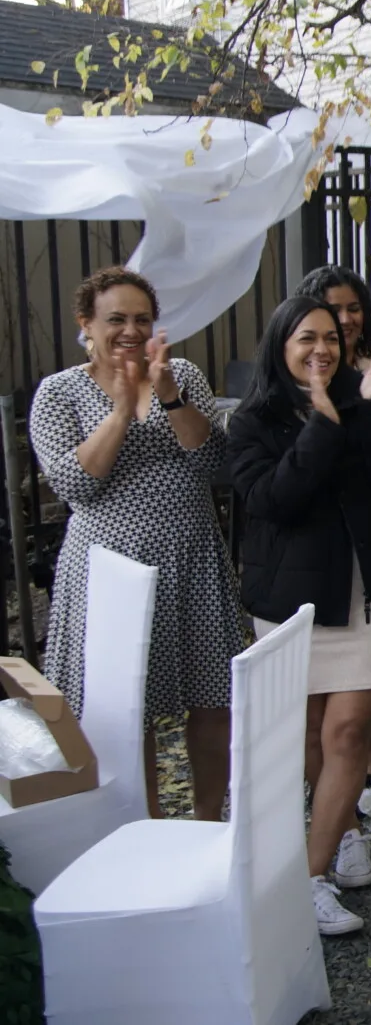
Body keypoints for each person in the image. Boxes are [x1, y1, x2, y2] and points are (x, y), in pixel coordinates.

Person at [227, 297, 371, 936]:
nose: (321, 349)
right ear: (280, 347)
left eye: (331, 338)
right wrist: (322, 424)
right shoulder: (252, 422)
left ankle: (309, 877)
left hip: (369, 599)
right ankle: (343, 832)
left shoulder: (361, 397)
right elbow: (272, 500)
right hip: (294, 605)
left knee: (346, 735)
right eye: (306, 338)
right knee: (311, 734)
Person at [29, 267, 245, 822]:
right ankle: (144, 828)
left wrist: (169, 397)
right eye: (116, 319)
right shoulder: (59, 393)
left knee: (214, 699)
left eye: (141, 319)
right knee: (130, 710)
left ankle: (207, 823)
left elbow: (212, 462)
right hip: (110, 572)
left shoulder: (183, 376)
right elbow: (77, 484)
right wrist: (123, 409)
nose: (130, 330)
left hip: (192, 558)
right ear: (86, 324)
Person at [296, 265, 371, 779]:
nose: (344, 319)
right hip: (313, 555)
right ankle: (332, 798)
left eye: (352, 307)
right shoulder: (293, 378)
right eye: (331, 309)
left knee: (359, 690)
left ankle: (358, 755)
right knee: (315, 714)